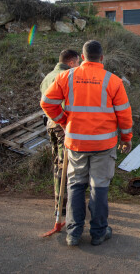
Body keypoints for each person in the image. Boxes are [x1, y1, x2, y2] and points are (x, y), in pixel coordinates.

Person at [41, 40, 133, 246]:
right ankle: (99, 232)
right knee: (99, 187)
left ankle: (73, 234)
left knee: (75, 185)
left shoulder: (66, 76)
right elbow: (124, 115)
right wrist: (127, 139)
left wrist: (64, 121)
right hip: (103, 145)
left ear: (82, 57)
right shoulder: (113, 81)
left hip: (76, 144)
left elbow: (47, 102)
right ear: (102, 58)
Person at [40, 49, 80, 216]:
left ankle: (58, 201)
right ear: (71, 63)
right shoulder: (68, 77)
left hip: (50, 124)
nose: (78, 67)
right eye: (77, 63)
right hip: (63, 125)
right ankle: (64, 205)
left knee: (57, 164)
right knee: (67, 167)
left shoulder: (48, 76)